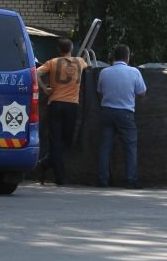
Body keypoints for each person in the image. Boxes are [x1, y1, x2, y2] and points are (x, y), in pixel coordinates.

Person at [35, 38, 88, 186]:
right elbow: (88, 65)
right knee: (66, 141)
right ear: (71, 49)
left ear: (58, 50)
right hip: (72, 105)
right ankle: (59, 176)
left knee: (55, 141)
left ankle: (47, 163)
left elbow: (35, 73)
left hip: (55, 104)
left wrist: (45, 89)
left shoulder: (52, 62)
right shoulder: (80, 62)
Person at [96, 44, 148, 188]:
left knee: (105, 147)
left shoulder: (104, 72)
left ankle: (102, 179)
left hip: (107, 111)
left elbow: (100, 92)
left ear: (114, 57)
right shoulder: (134, 72)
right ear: (127, 57)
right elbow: (142, 92)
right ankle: (131, 180)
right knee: (130, 147)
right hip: (126, 113)